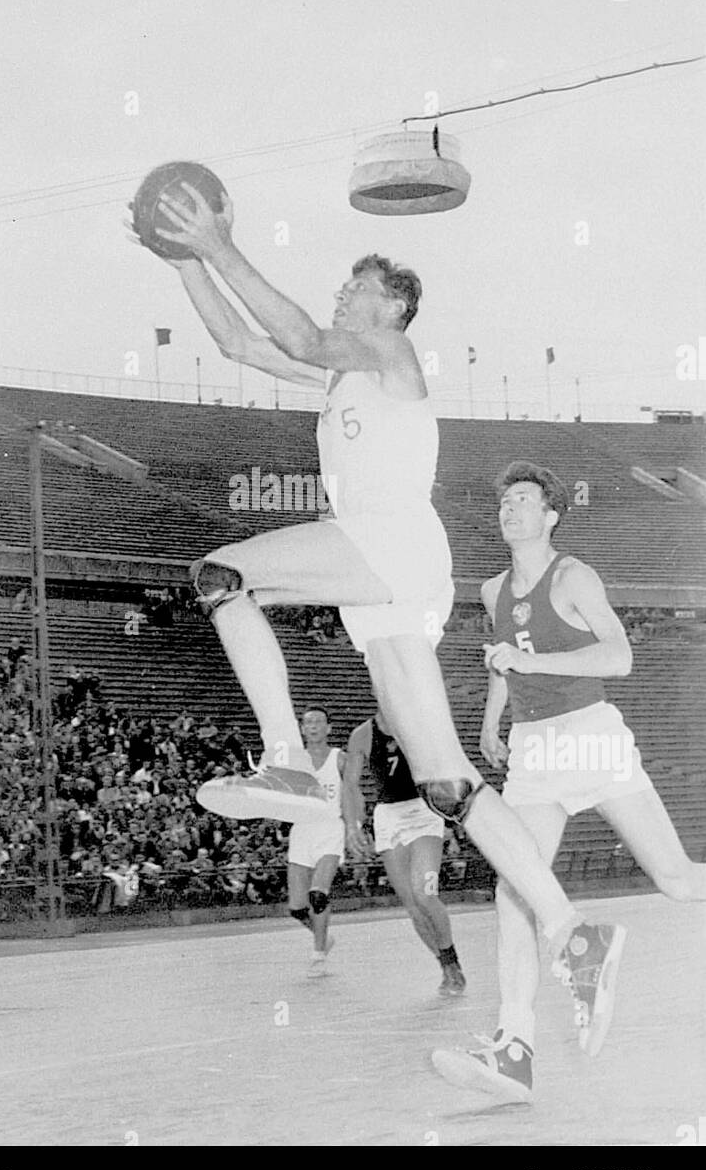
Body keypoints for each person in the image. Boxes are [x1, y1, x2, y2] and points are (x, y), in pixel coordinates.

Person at [138, 182, 628, 1055]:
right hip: (393, 581)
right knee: (446, 783)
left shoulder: (392, 353)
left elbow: (294, 330)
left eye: (351, 287)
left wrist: (218, 242)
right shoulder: (343, 373)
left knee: (222, 576)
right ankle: (572, 931)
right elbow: (243, 341)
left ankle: (288, 761)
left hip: (389, 541)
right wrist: (186, 262)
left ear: (391, 304)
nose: (339, 297)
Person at [432, 461, 706, 1103]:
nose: (511, 508)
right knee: (514, 893)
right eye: (505, 500)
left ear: (552, 514)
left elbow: (619, 656)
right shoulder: (493, 590)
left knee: (674, 878)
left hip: (589, 733)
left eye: (525, 499)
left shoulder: (574, 575)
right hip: (534, 748)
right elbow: (505, 658)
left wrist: (530, 660)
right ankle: (514, 1051)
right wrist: (494, 716)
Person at [345, 709, 466, 995]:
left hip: (423, 811)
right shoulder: (362, 735)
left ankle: (453, 958)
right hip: (389, 816)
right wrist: (353, 824)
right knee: (412, 904)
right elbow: (350, 784)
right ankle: (445, 966)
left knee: (425, 893)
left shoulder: (418, 722)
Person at [287, 707, 346, 975]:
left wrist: (356, 824)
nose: (313, 726)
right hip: (302, 831)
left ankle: (318, 955)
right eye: (307, 722)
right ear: (301, 729)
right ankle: (324, 936)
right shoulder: (294, 760)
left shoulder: (339, 758)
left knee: (319, 895)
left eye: (318, 721)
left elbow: (354, 791)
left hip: (330, 829)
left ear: (328, 728)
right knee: (297, 907)